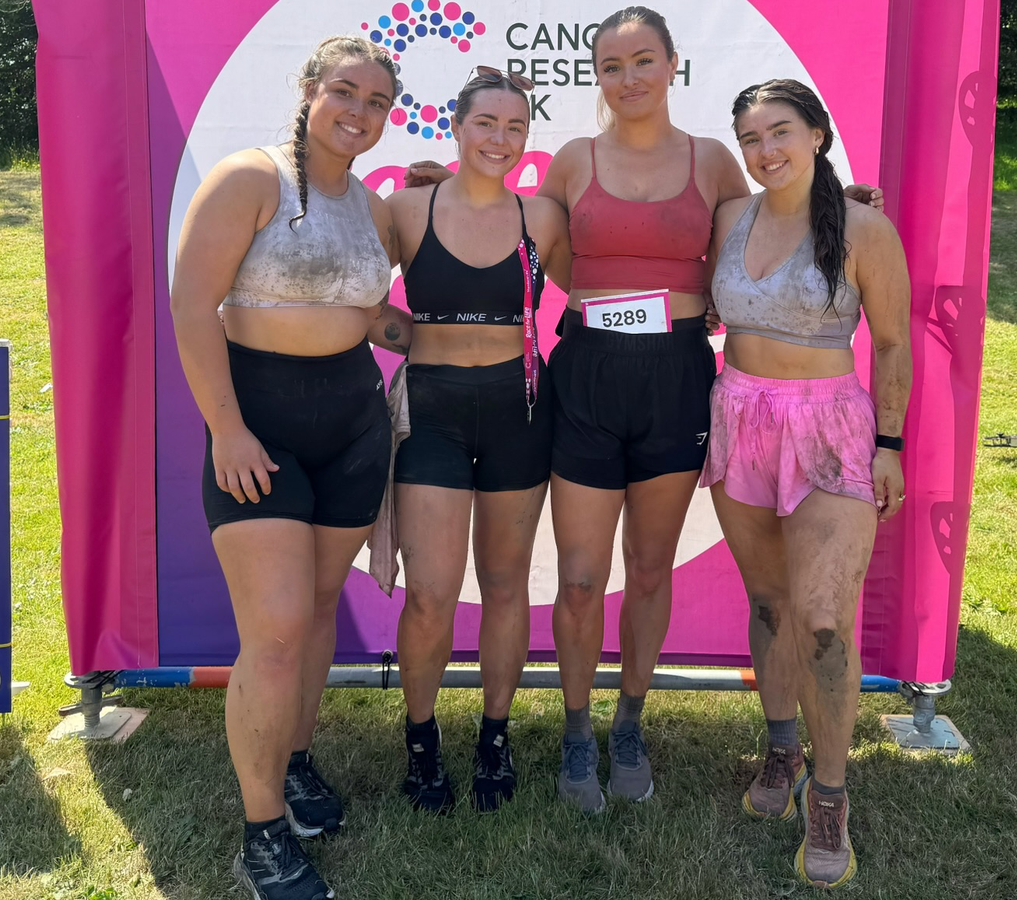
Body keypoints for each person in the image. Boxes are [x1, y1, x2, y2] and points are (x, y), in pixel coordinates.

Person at [406, 6, 881, 813]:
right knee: (581, 578)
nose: (628, 79)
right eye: (612, 66)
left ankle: (629, 722)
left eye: (643, 61)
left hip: (675, 377)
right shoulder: (572, 162)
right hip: (587, 375)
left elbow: (771, 222)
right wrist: (441, 191)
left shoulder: (711, 162)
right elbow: (521, 235)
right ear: (596, 76)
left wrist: (838, 201)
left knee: (650, 569)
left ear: (671, 66)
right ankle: (578, 729)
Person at [170, 35, 410, 900]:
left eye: (377, 102)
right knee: (273, 632)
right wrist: (226, 429)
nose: (359, 112)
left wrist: (450, 337)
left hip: (352, 424)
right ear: (310, 90)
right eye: (345, 91)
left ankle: (296, 759)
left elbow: (371, 314)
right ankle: (262, 834)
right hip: (259, 426)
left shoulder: (375, 208)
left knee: (313, 613)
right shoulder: (250, 178)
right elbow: (191, 305)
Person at [702, 78, 910, 889]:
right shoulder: (730, 215)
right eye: (751, 139)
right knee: (770, 605)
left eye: (780, 132)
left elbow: (890, 344)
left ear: (817, 133)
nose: (765, 151)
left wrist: (888, 444)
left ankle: (829, 794)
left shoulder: (864, 229)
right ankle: (781, 747)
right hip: (740, 418)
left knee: (823, 621)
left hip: (830, 431)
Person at [388, 67, 571, 815]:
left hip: (517, 410)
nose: (500, 138)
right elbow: (344, 285)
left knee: (504, 585)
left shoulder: (544, 216)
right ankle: (421, 737)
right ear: (456, 127)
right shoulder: (406, 209)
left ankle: (495, 735)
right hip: (431, 410)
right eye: (485, 124)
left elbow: (609, 282)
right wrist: (404, 333)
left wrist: (828, 209)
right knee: (431, 594)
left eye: (515, 126)